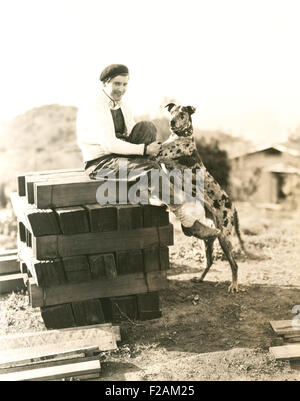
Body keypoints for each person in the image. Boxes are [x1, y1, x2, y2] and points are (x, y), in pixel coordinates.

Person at [76, 64, 220, 240]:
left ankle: (155, 189)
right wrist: (144, 149)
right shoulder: (95, 106)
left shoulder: (123, 106)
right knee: (151, 171)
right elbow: (110, 146)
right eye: (116, 84)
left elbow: (130, 135)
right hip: (100, 163)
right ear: (105, 83)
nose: (121, 89)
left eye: (124, 84)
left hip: (119, 156)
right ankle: (187, 222)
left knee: (147, 127)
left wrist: (151, 150)